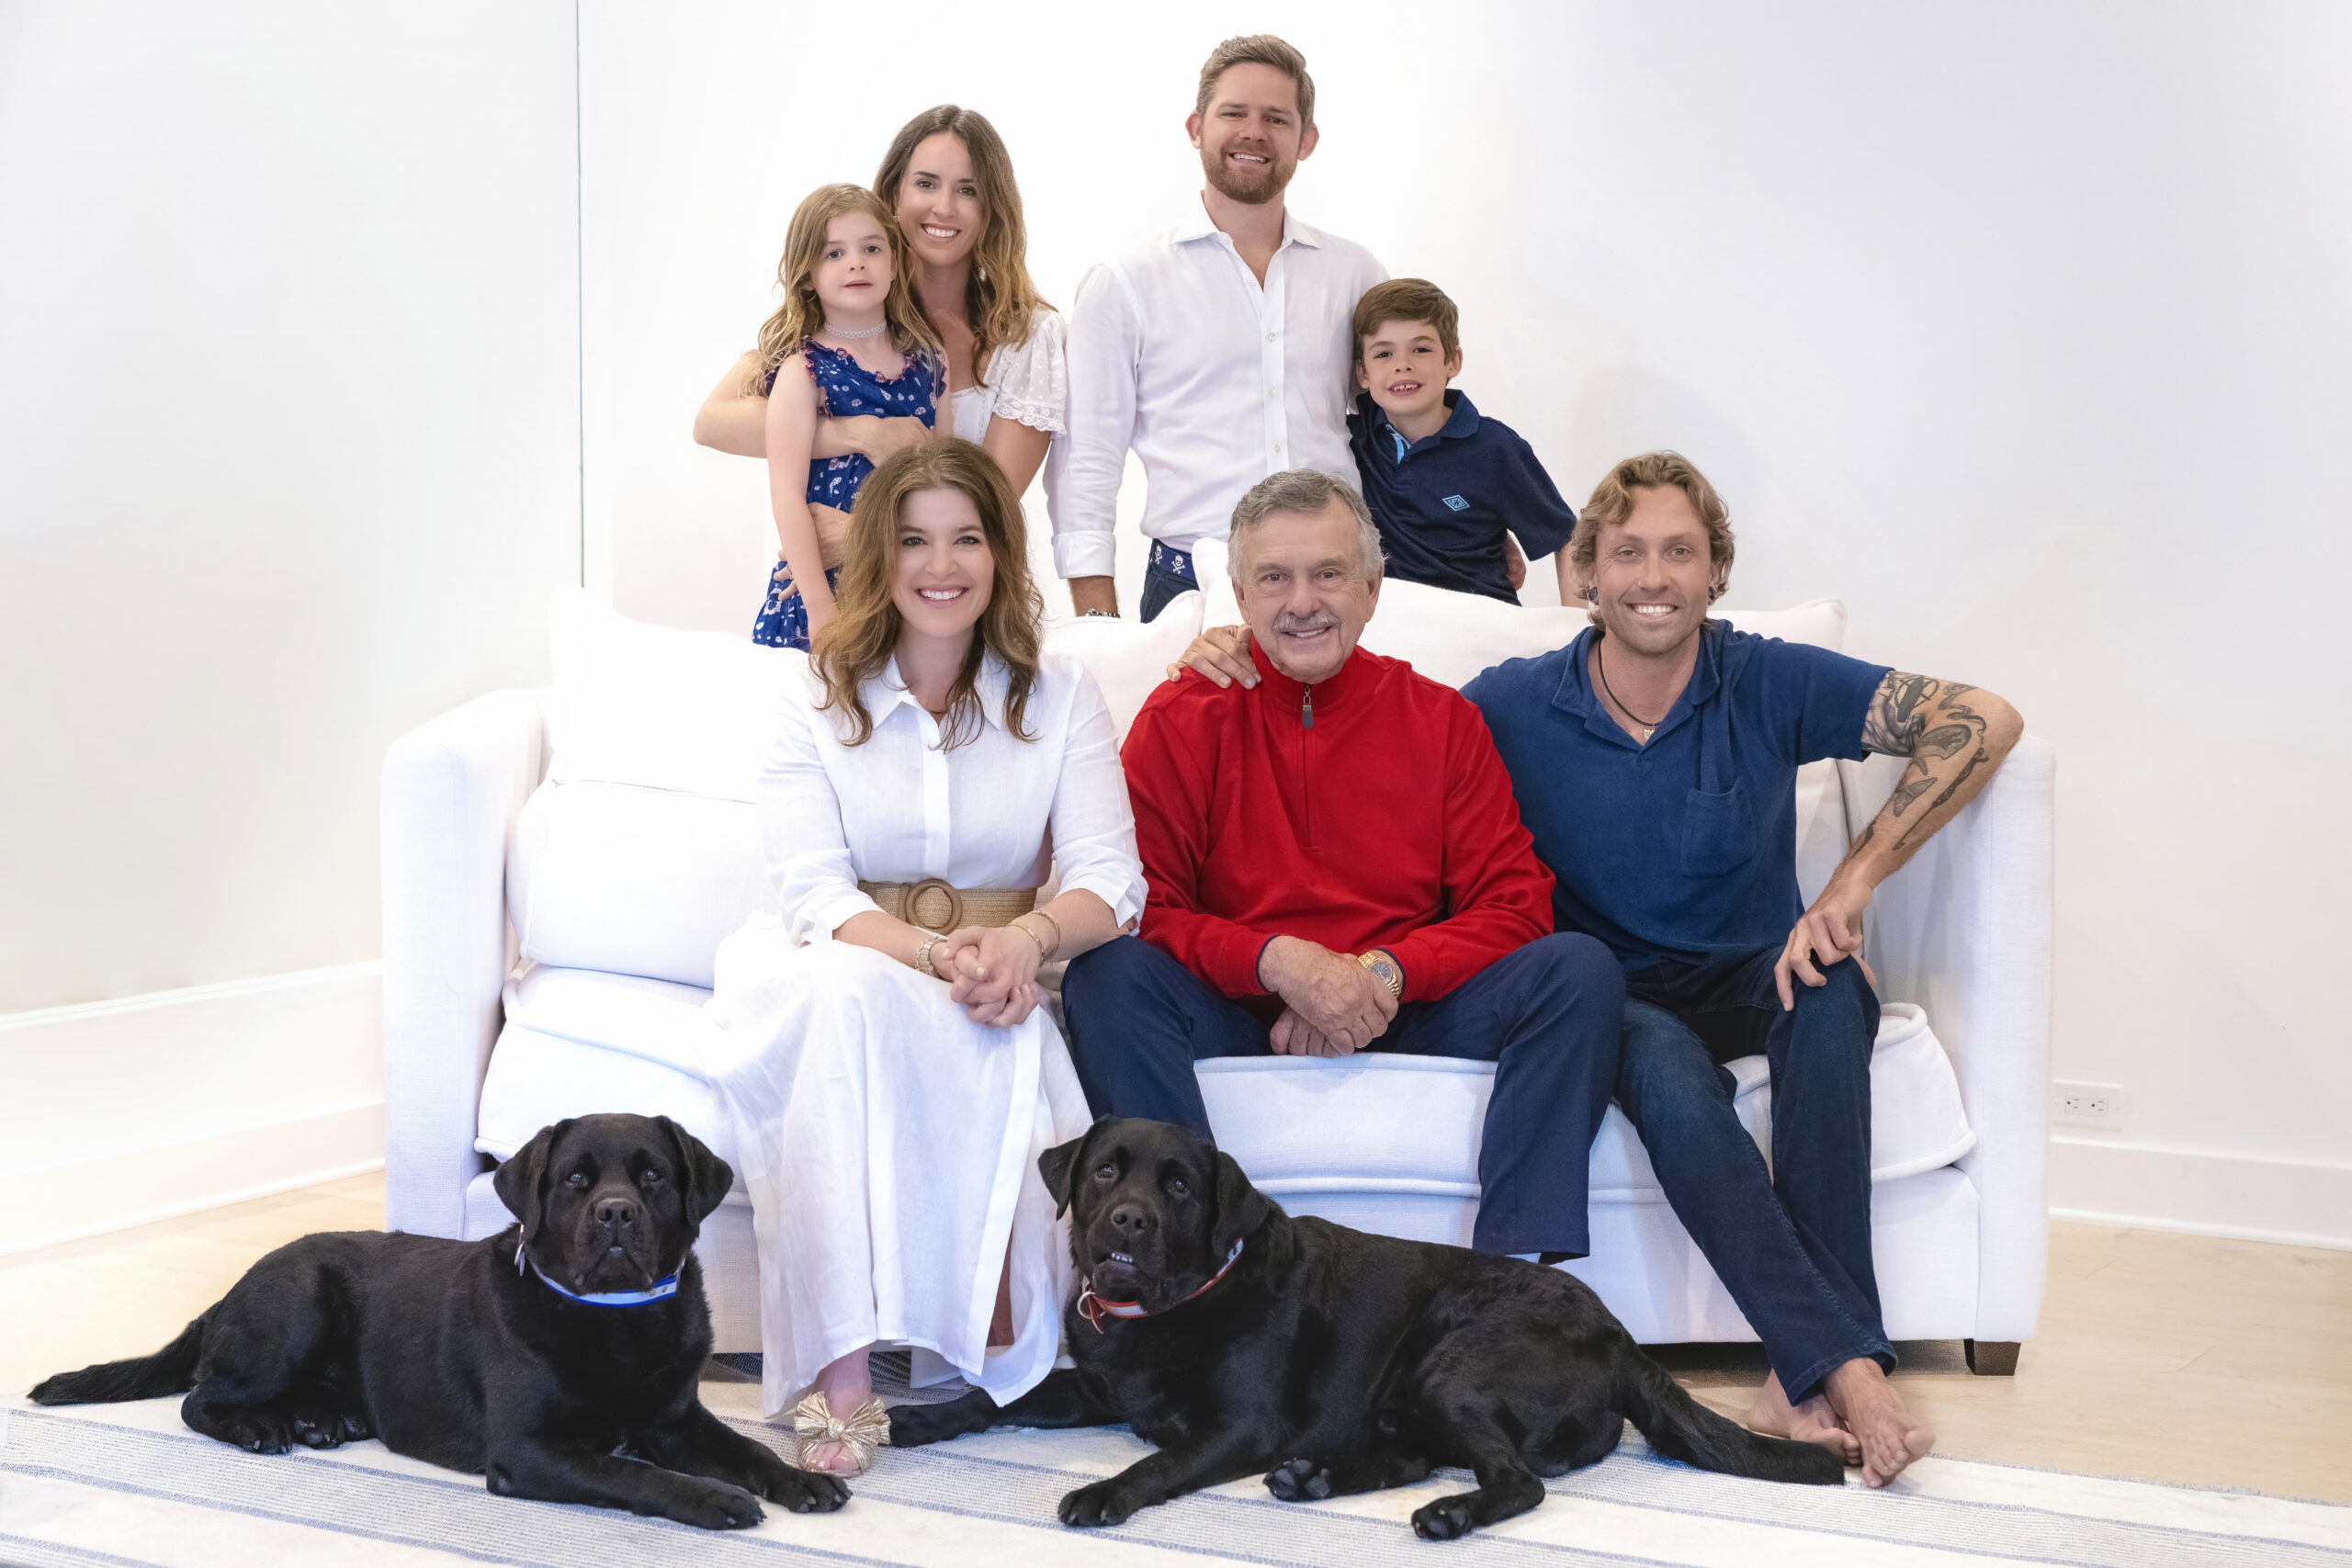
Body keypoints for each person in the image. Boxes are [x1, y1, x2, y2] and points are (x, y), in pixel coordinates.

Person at [1460, 451, 2024, 1488]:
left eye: (1680, 551)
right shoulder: (1511, 702)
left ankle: (1802, 1371)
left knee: (1829, 993)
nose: (1652, 576)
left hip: (1755, 970)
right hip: (1613, 993)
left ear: (1716, 571)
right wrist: (1231, 646)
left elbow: (1981, 717)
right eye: (1626, 552)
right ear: (1583, 573)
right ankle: (1845, 1368)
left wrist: (1851, 884)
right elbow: (1380, 722)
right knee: (1666, 1072)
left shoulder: (1763, 674)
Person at [696, 439, 1145, 1474]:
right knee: (853, 994)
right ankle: (840, 1371)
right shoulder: (811, 700)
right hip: (835, 966)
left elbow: (1110, 880)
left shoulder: (1060, 696)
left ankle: (932, 1343)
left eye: (965, 538)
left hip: (1000, 969)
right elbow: (815, 892)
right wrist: (947, 960)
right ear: (878, 559)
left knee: (928, 1014)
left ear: (999, 554)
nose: (940, 566)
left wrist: (1023, 945)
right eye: (911, 541)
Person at [1058, 469, 1625, 1261]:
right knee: (1105, 973)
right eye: (1274, 578)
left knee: (1578, 968)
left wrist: (1383, 973)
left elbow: (1515, 906)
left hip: (1414, 1008)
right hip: (1241, 1012)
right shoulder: (1183, 716)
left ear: (1371, 585)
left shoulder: (1442, 720)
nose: (1302, 601)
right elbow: (1136, 904)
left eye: (1327, 574)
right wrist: (1276, 962)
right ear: (1242, 596)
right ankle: (1183, 1272)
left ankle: (1512, 1284)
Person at [1057, 35, 1386, 622]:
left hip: (1340, 589)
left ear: (1306, 140)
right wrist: (1096, 617)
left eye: (1276, 118)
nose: (1253, 132)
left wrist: (1468, 521)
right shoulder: (1126, 281)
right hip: (1189, 588)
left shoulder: (1355, 273)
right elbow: (1087, 457)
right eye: (1234, 112)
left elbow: (1403, 419)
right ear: (1196, 127)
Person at [695, 107, 1066, 508]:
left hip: (952, 569)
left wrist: (857, 537)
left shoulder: (1027, 336)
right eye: (926, 183)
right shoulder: (850, 307)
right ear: (893, 193)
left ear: (993, 208)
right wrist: (860, 433)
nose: (944, 207)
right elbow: (713, 421)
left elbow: (993, 509)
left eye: (968, 190)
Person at [744, 184, 940, 650]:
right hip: (827, 580)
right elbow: (787, 495)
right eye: (834, 253)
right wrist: (819, 606)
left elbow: (944, 471)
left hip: (907, 577)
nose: (856, 262)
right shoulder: (802, 368)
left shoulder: (929, 360)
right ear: (808, 275)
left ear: (895, 264)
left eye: (872, 248)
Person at [1345, 278, 1578, 605]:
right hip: (1394, 625)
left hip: (1484, 622)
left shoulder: (1495, 447)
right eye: (1384, 353)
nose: (1402, 364)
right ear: (1363, 373)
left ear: (1452, 361)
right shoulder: (1352, 438)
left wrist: (1575, 633)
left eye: (1421, 349)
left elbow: (1565, 537)